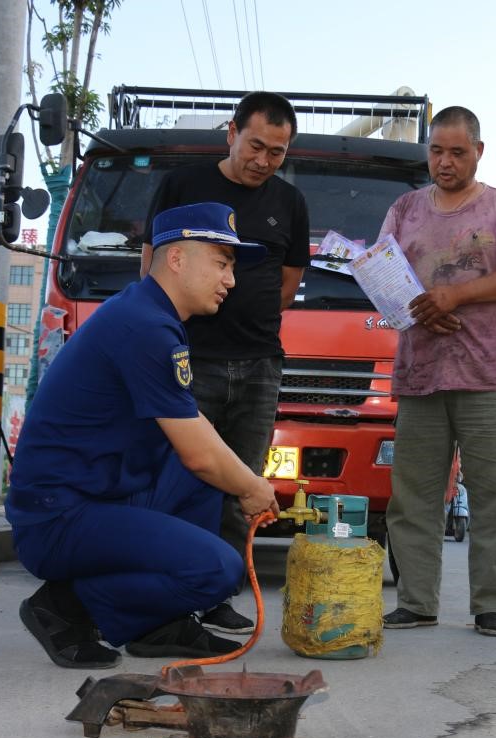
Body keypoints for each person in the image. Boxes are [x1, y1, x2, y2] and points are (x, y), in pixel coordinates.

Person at [9, 202, 280, 669]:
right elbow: (199, 455)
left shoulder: (148, 315)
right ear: (177, 260)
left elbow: (196, 438)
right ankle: (64, 606)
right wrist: (253, 488)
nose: (230, 280)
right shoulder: (145, 327)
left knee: (205, 468)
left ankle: (160, 624)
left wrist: (237, 478)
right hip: (57, 521)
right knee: (218, 570)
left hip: (93, 497)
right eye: (221, 263)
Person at [139, 91, 310, 635]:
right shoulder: (183, 185)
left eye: (277, 152)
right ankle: (163, 594)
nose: (263, 160)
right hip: (192, 358)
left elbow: (287, 281)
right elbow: (152, 266)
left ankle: (218, 594)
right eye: (256, 145)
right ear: (231, 132)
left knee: (242, 485)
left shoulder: (290, 202)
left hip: (260, 362)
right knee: (179, 479)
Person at [378, 106, 496, 638]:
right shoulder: (404, 208)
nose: (444, 163)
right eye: (436, 151)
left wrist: (455, 295)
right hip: (420, 371)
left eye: (457, 152)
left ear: (478, 151)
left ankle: (492, 605)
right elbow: (381, 272)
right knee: (413, 496)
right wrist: (416, 305)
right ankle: (417, 601)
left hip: (489, 372)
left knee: (495, 494)